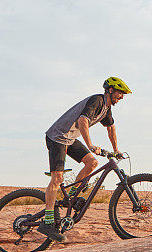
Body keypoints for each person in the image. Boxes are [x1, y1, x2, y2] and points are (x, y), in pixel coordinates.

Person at [37, 77, 132, 242]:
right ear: (110, 90)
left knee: (92, 163)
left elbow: (111, 128)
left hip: (70, 139)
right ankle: (48, 221)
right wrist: (90, 145)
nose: (122, 97)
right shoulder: (97, 100)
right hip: (57, 137)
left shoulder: (106, 108)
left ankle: (71, 198)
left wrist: (115, 150)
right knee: (57, 178)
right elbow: (83, 120)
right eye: (120, 93)